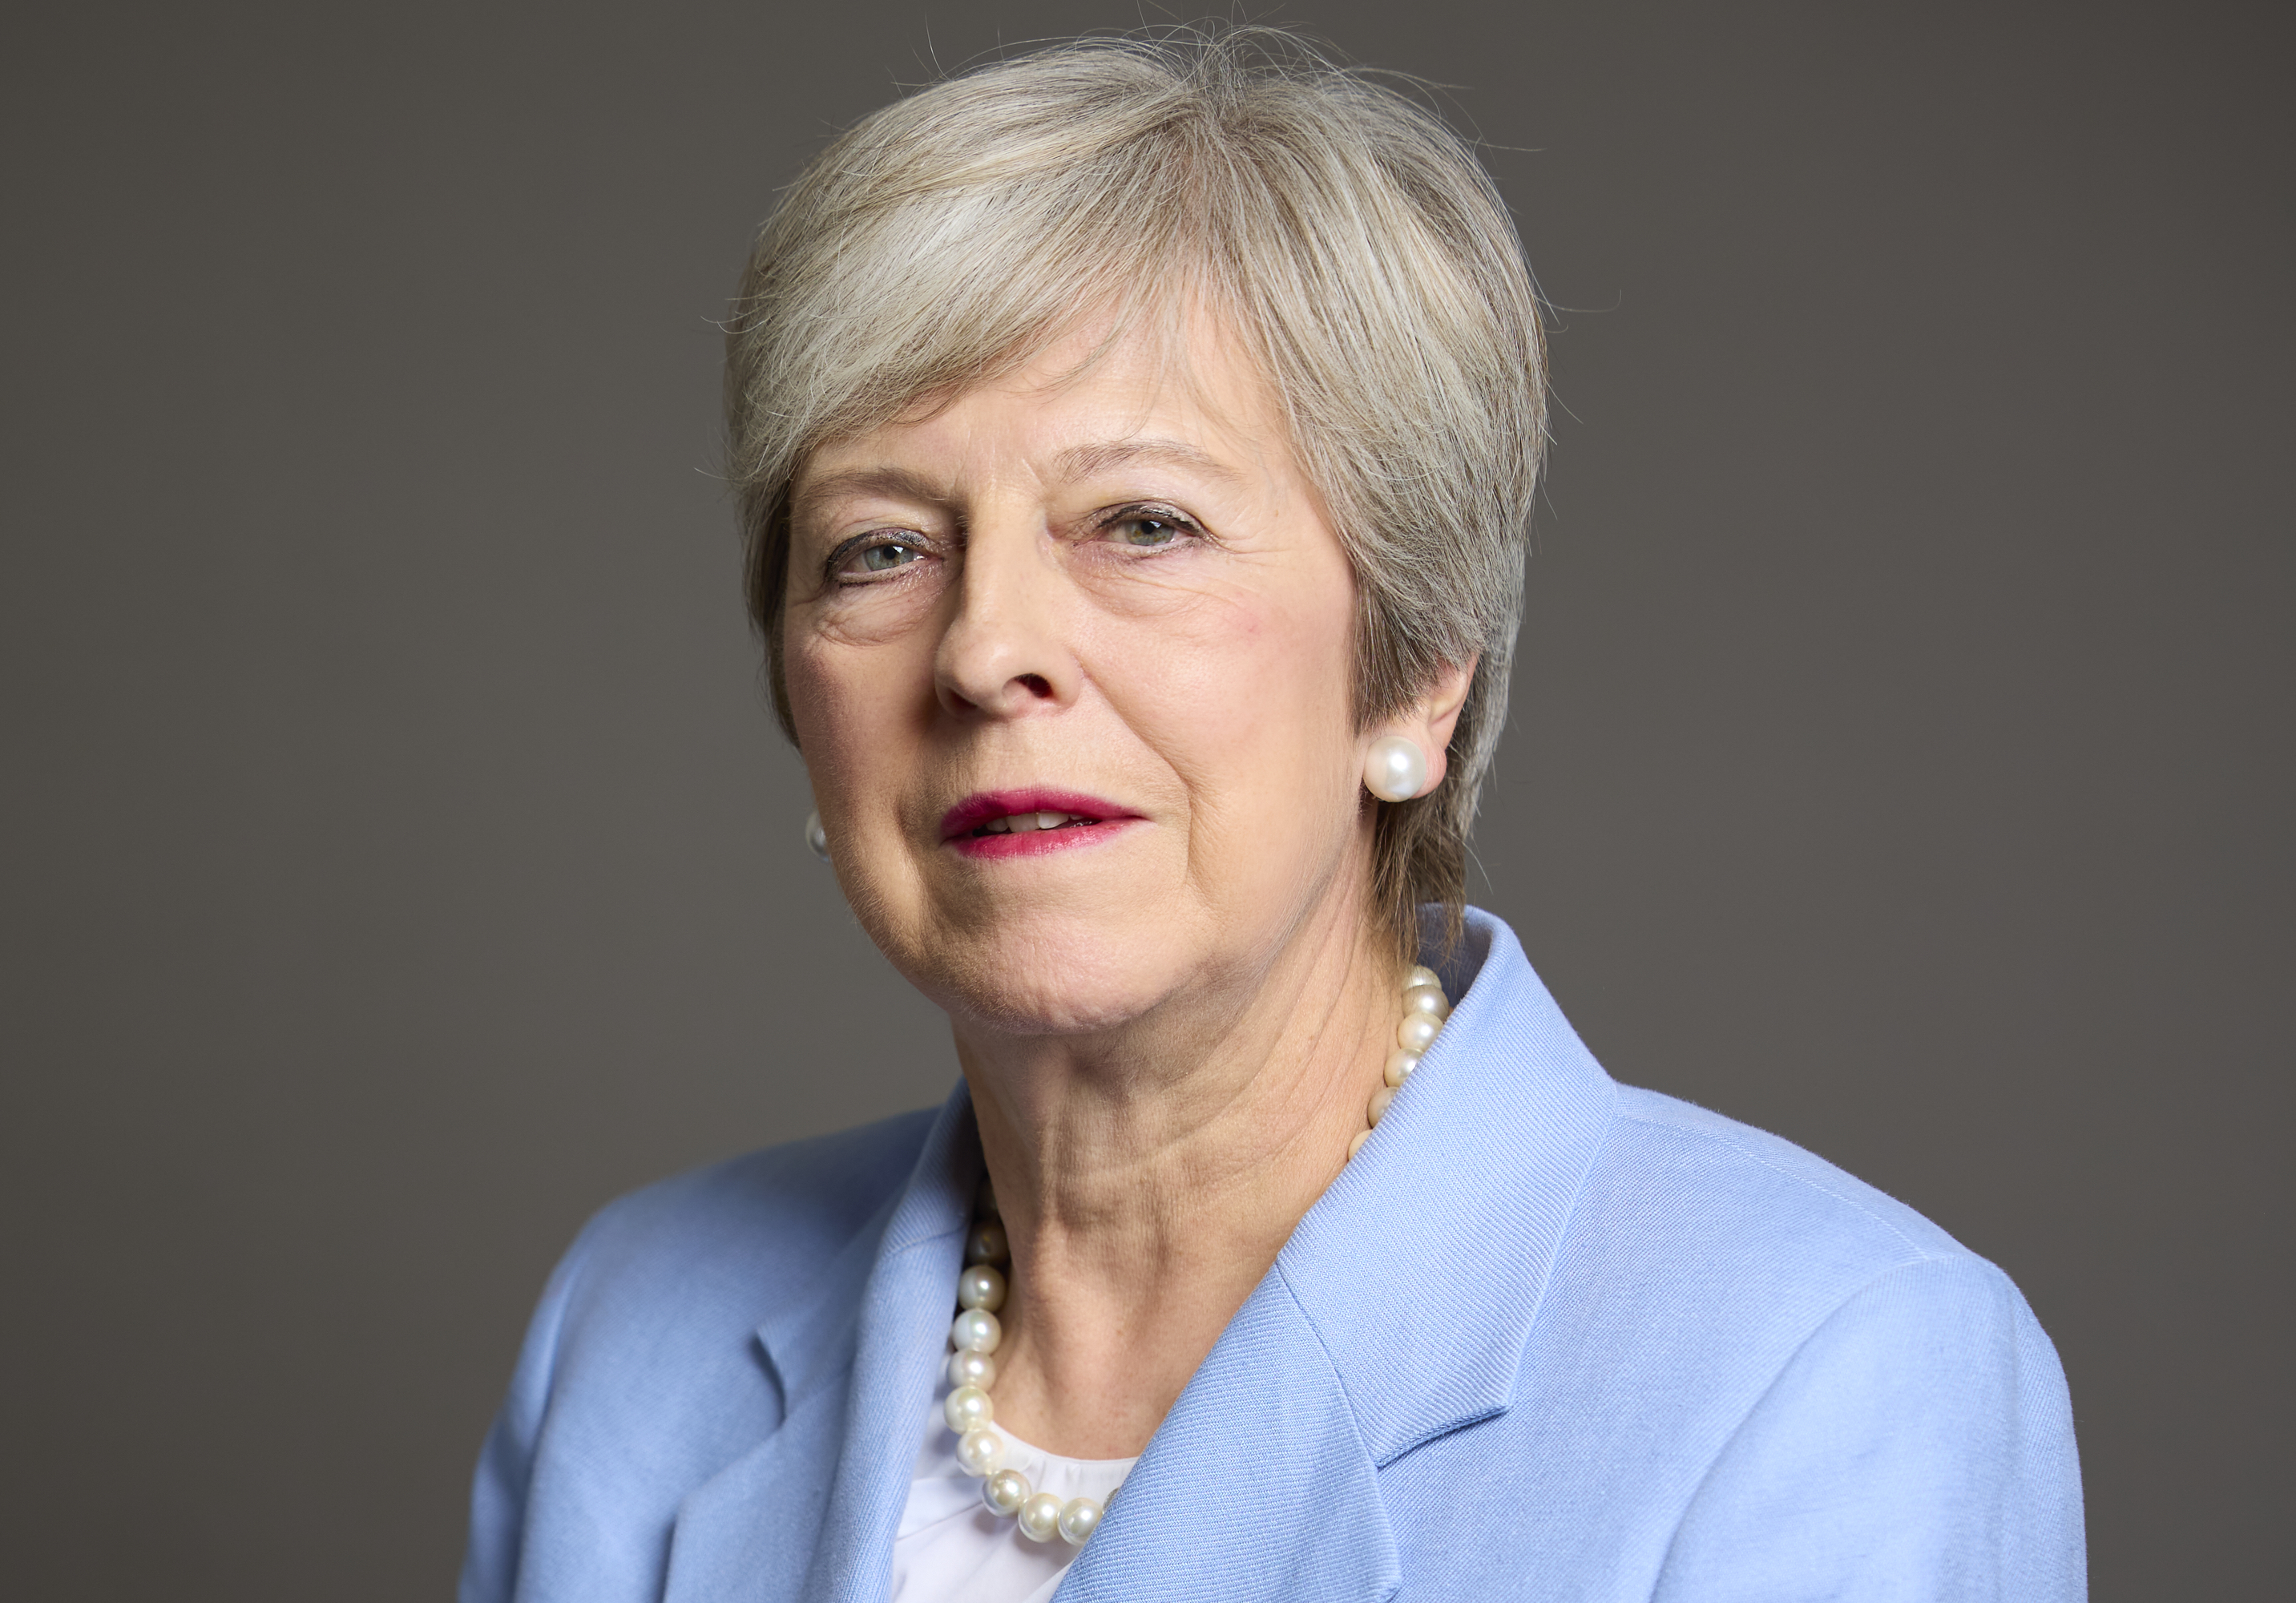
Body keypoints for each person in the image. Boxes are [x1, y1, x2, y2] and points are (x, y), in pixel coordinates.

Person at [459, 30, 2084, 1603]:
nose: (984, 648)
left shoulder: (1826, 1371)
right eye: (881, 549)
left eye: (1143, 524)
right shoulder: (636, 1332)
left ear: (1415, 675)